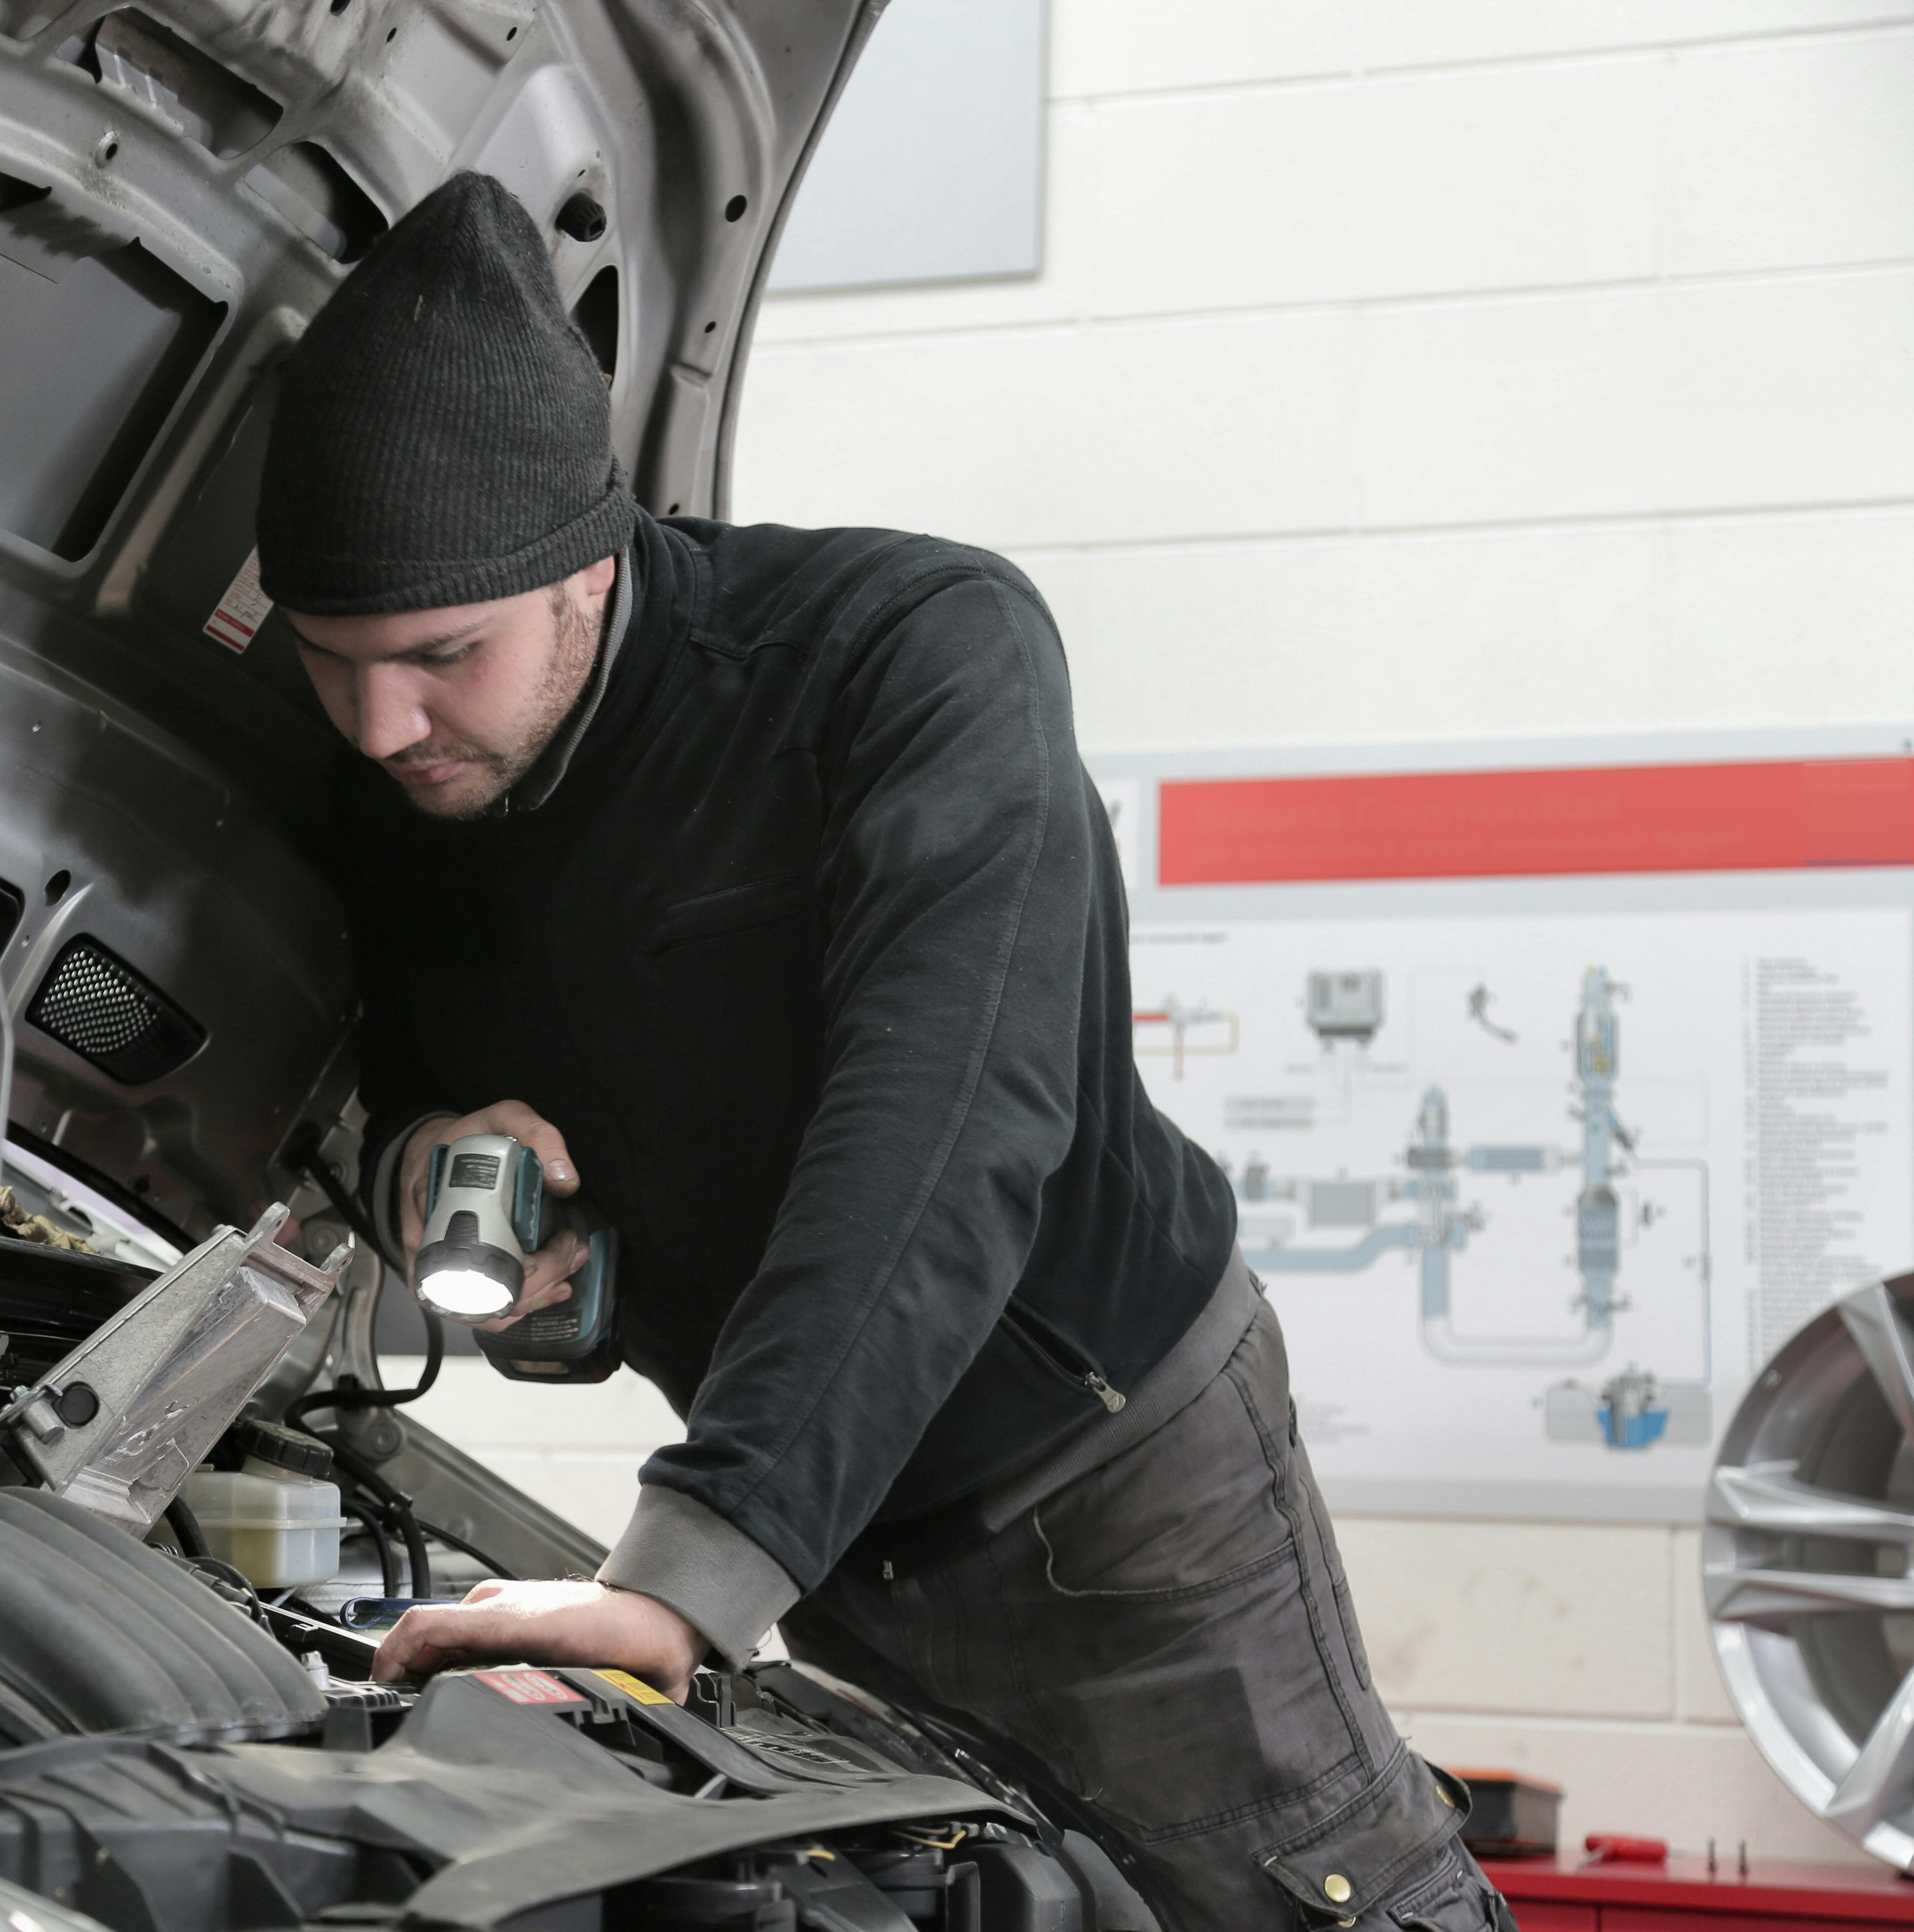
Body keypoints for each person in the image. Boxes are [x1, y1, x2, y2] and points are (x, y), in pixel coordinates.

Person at [251, 173, 1502, 1932]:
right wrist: (436, 1187)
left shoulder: (906, 659)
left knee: (1306, 1905)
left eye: (442, 657)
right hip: (822, 1533)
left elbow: (945, 1125)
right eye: (330, 663)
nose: (382, 725)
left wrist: (683, 1578)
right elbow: (371, 1070)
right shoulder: (394, 782)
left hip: (1114, 1490)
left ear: (590, 563)